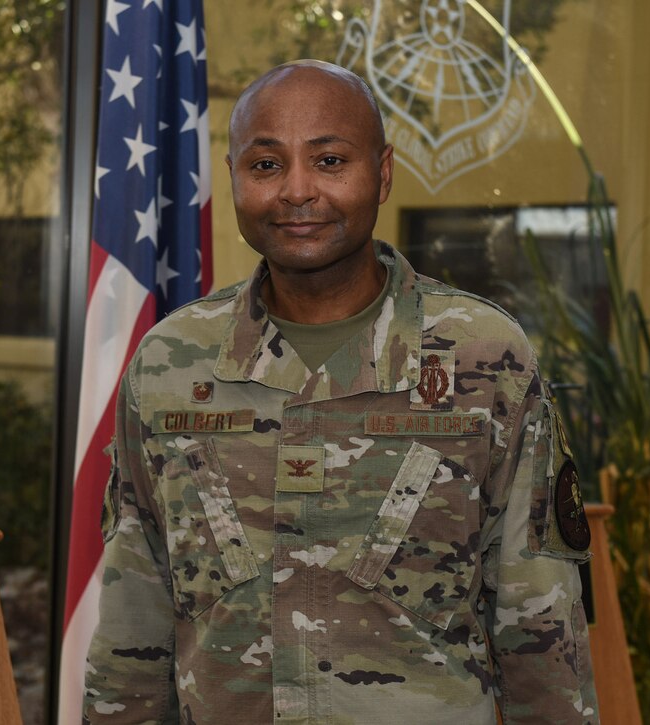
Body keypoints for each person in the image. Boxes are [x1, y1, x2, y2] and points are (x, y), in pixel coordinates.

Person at [83, 60, 598, 724]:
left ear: (382, 173)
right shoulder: (169, 368)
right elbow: (134, 623)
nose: (298, 191)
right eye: (265, 165)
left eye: (329, 160)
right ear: (234, 176)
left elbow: (543, 639)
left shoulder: (484, 358)